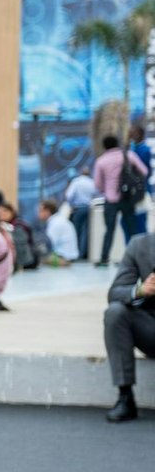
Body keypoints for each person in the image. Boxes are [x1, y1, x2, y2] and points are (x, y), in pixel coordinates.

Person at [102, 232, 155, 422]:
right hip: (150, 329)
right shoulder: (140, 245)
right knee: (115, 313)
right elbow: (115, 293)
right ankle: (125, 396)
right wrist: (141, 290)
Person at [92, 135, 148, 266]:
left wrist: (107, 188)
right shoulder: (129, 155)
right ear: (117, 143)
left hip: (110, 200)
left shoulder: (101, 161)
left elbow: (97, 184)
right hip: (127, 198)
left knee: (109, 230)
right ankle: (136, 257)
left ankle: (104, 258)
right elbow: (144, 171)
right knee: (132, 229)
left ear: (104, 146)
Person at [63, 171, 96, 262]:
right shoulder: (91, 182)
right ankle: (83, 254)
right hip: (89, 209)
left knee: (76, 231)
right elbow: (96, 194)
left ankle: (76, 253)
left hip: (78, 209)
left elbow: (68, 195)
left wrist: (71, 205)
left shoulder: (76, 182)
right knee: (86, 232)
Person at [40, 199, 77, 264]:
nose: (38, 213)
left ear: (47, 211)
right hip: (69, 256)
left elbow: (49, 244)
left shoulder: (55, 223)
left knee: (37, 258)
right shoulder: (59, 220)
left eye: (40, 211)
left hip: (63, 257)